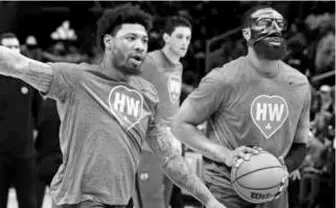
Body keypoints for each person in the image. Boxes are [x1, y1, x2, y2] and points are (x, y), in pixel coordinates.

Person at [0, 4, 225, 208]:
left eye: (144, 40)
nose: (140, 46)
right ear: (109, 42)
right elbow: (18, 64)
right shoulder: (76, 78)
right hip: (79, 201)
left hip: (119, 202)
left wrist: (210, 200)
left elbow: (169, 157)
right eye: (131, 38)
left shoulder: (147, 94)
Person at [172, 4, 311, 208]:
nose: (275, 28)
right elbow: (180, 125)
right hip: (226, 190)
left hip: (274, 191)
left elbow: (301, 144)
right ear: (247, 33)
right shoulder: (223, 79)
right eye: (265, 22)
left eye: (279, 23)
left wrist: (285, 166)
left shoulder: (299, 84)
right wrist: (226, 155)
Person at [134, 16, 192, 208]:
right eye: (180, 37)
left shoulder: (178, 66)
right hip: (149, 148)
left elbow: (170, 103)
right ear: (166, 38)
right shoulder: (150, 61)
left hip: (173, 146)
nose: (185, 42)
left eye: (188, 38)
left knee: (166, 203)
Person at [0, 32, 42, 208]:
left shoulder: (29, 78)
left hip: (25, 154)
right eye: (8, 47)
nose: (13, 50)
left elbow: (38, 114)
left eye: (16, 46)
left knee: (28, 202)